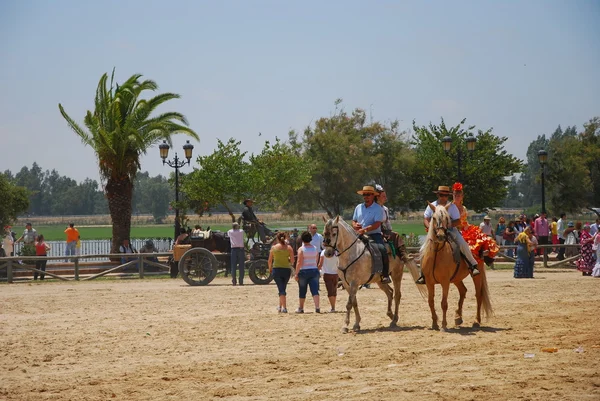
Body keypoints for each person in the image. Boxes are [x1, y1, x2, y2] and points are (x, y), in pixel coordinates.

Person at [417, 184, 482, 284]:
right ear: (438, 195)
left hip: (451, 230)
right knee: (422, 250)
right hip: (435, 232)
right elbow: (426, 219)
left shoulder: (451, 207)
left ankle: (473, 265)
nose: (444, 197)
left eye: (446, 195)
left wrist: (447, 225)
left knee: (462, 244)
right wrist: (430, 226)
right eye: (441, 195)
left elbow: (458, 221)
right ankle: (423, 274)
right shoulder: (432, 206)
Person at [351, 185, 390, 284]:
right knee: (345, 247)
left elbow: (377, 223)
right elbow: (354, 220)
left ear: (373, 196)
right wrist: (355, 225)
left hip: (374, 234)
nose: (366, 196)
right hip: (358, 233)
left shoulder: (378, 209)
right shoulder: (358, 207)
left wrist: (364, 230)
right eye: (364, 194)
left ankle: (385, 275)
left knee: (382, 249)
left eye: (368, 194)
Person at [294, 231, 320, 314]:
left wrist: (296, 273)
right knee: (315, 290)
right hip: (314, 270)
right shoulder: (315, 248)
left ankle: (301, 308)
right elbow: (316, 259)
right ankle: (317, 307)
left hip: (304, 270)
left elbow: (299, 262)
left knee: (302, 290)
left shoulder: (301, 249)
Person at [268, 232, 295, 313]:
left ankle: (284, 308)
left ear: (277, 239)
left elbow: (269, 261)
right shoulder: (289, 248)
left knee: (281, 289)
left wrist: (270, 269)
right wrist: (288, 259)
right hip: (286, 270)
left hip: (277, 270)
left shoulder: (273, 248)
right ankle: (280, 306)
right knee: (283, 288)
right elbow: (293, 261)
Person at [318, 248, 339, 313]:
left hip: (327, 273)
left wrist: (317, 270)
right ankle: (333, 306)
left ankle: (333, 307)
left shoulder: (323, 252)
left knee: (330, 291)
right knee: (334, 291)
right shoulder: (336, 252)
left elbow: (320, 264)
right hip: (336, 273)